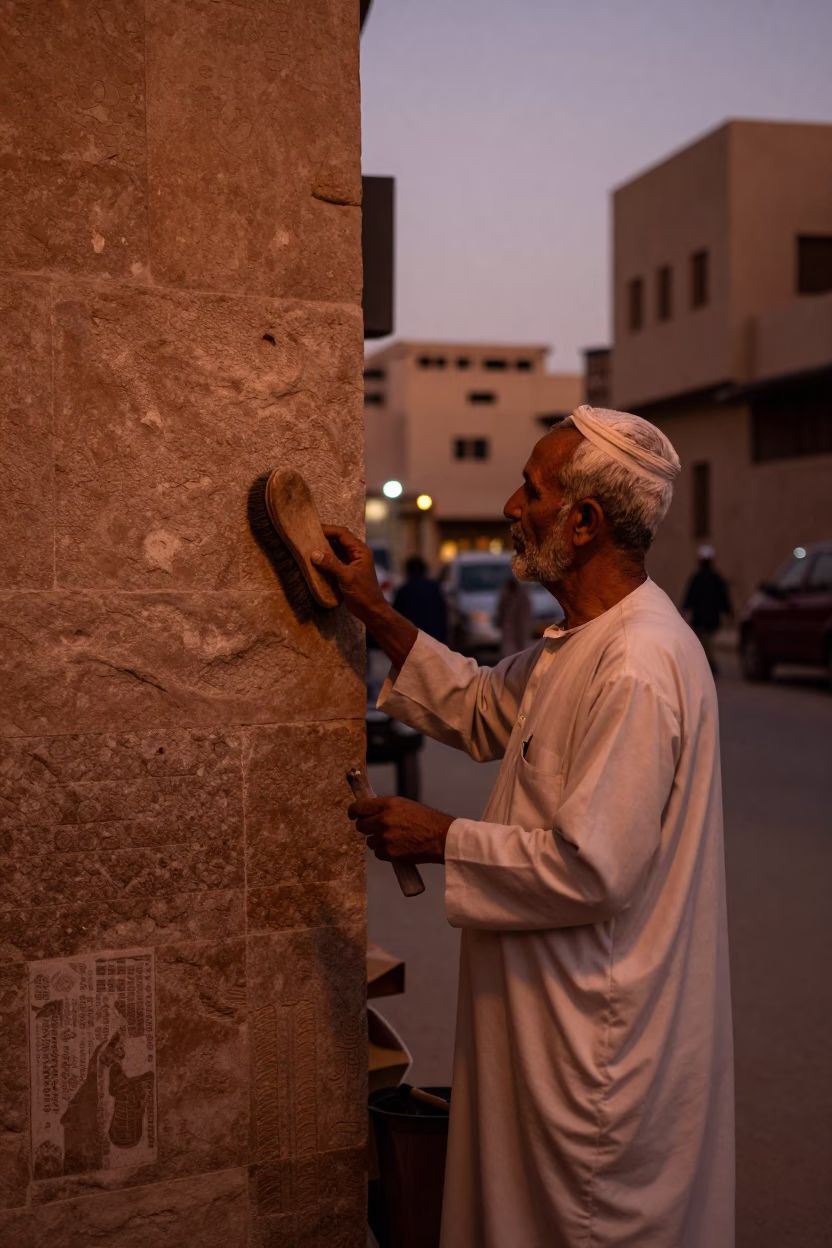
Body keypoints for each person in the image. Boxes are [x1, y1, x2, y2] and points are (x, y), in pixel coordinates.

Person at [312, 406, 734, 1248]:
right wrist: (374, 610)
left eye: (531, 490)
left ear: (582, 523)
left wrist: (440, 836)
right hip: (546, 1024)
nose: (511, 506)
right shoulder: (577, 645)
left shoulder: (639, 663)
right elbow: (478, 705)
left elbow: (594, 867)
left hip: (595, 1049)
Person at [682, 546, 733, 675]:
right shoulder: (699, 579)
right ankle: (709, 665)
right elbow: (689, 598)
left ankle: (711, 666)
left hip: (709, 618)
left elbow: (723, 598)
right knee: (705, 641)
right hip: (702, 619)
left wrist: (729, 612)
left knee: (706, 641)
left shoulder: (711, 579)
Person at [392, 554, 448, 642]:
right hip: (435, 639)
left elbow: (396, 617)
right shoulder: (434, 587)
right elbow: (443, 613)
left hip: (413, 642)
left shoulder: (404, 590)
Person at [496, 573, 532, 659]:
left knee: (522, 648)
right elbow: (501, 609)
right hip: (510, 626)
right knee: (509, 649)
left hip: (521, 626)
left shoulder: (523, 594)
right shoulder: (506, 593)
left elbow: (527, 610)